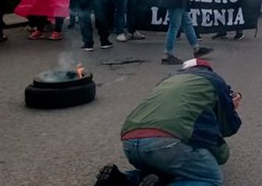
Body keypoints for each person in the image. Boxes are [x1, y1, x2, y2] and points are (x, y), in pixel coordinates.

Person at [94, 58, 241, 186]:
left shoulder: (166, 81)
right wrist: (231, 107)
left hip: (130, 142)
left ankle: (120, 180)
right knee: (210, 178)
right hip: (167, 142)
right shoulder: (214, 80)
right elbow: (228, 127)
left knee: (163, 169)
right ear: (208, 70)